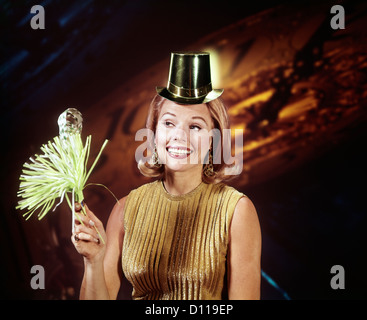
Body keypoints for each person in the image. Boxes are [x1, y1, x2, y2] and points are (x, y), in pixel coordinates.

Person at [72, 52, 261, 300]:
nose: (179, 136)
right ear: (154, 132)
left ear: (214, 140)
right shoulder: (125, 209)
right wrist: (93, 261)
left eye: (195, 126)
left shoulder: (236, 210)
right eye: (169, 123)